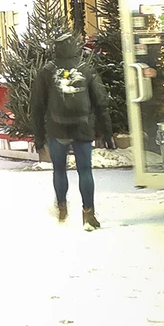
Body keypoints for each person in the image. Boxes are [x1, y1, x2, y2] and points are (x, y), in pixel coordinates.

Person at [30, 31, 111, 229]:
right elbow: (101, 101)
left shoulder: (47, 71)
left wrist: (39, 135)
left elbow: (37, 105)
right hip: (82, 127)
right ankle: (88, 213)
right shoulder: (86, 69)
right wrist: (107, 131)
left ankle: (62, 206)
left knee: (59, 169)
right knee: (85, 171)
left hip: (57, 129)